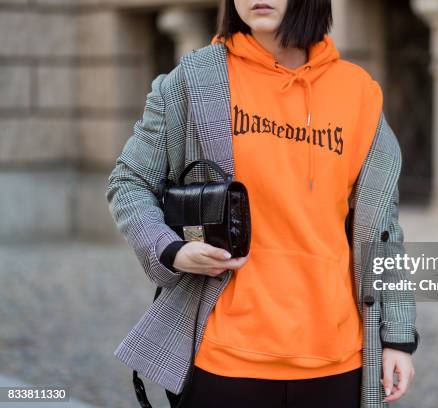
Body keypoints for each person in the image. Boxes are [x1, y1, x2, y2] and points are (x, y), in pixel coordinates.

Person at [106, 0, 418, 407]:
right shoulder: (196, 80)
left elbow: (384, 228)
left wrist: (397, 337)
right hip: (224, 358)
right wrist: (173, 250)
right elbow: (128, 182)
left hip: (338, 360)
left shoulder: (358, 92)